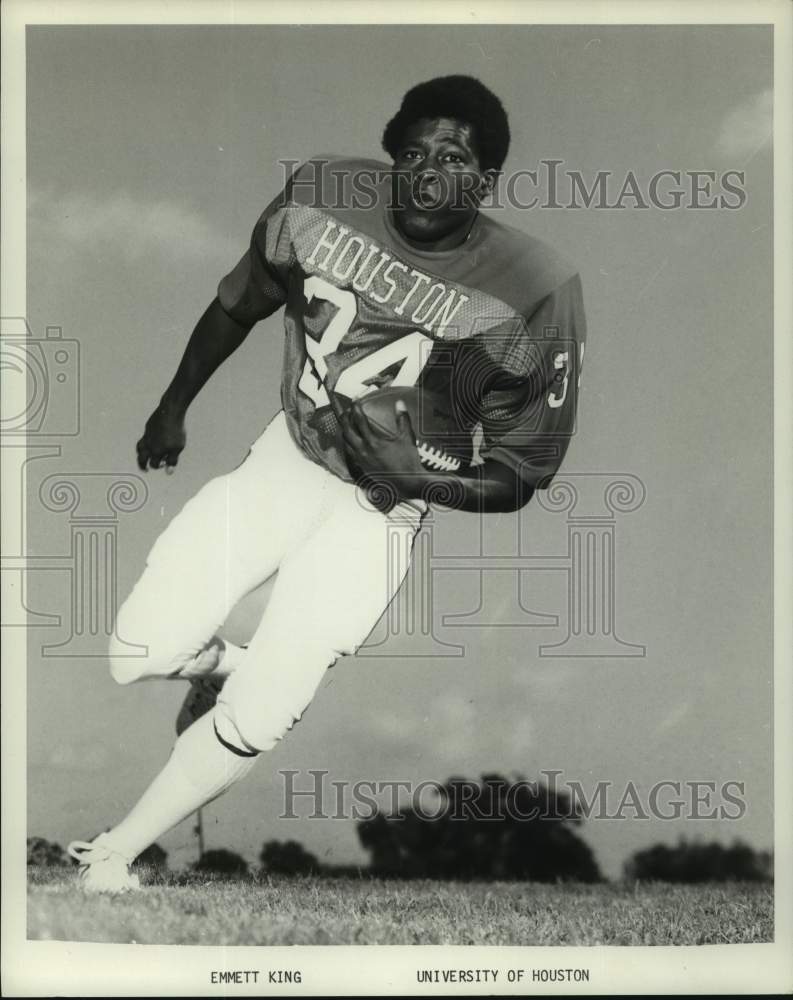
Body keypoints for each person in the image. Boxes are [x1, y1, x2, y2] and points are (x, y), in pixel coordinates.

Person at [67, 75, 586, 891]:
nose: (427, 171)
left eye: (453, 157)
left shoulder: (533, 285)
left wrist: (419, 477)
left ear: (486, 180)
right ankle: (225, 663)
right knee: (134, 653)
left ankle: (114, 854)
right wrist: (170, 408)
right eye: (411, 152)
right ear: (388, 159)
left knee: (266, 712)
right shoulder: (322, 194)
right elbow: (240, 303)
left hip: (382, 511)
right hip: (289, 455)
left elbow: (519, 474)